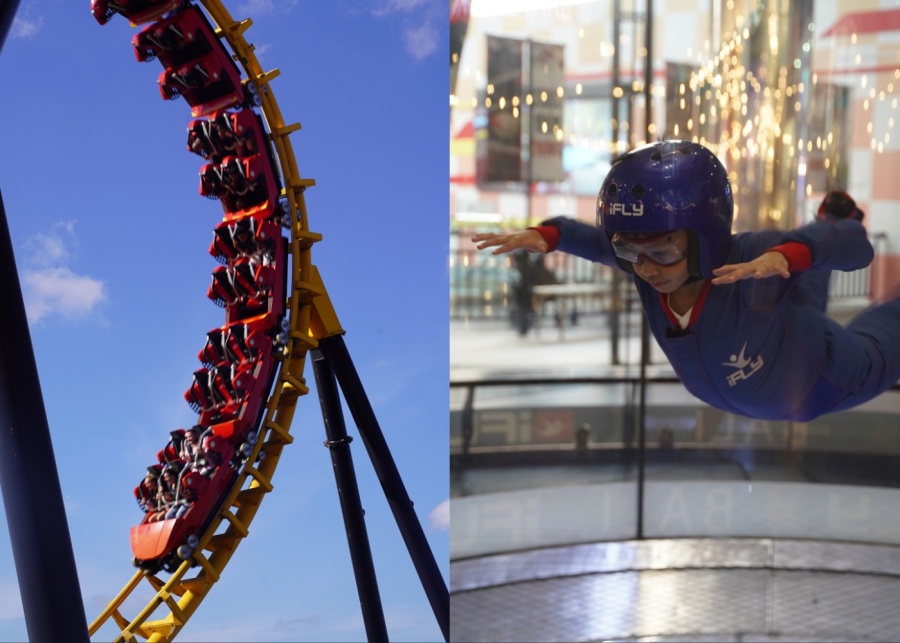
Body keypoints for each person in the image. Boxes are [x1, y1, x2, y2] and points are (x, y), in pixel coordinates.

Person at [473, 140, 900, 422]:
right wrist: (544, 236)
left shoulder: (748, 256)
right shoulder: (643, 266)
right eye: (631, 252)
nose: (645, 268)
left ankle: (830, 218)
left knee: (804, 278)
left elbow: (854, 248)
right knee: (799, 287)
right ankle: (827, 218)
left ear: (707, 239)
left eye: (661, 251)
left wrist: (785, 254)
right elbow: (591, 238)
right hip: (776, 336)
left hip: (821, 378)